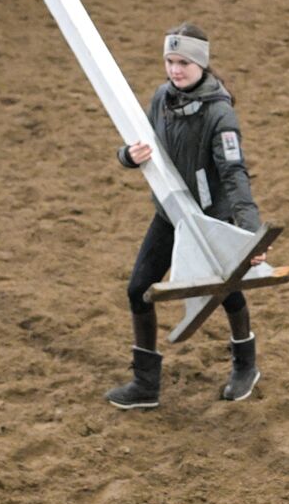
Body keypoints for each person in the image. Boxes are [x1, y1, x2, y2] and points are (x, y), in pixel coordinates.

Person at [106, 22, 265, 409]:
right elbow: (136, 142)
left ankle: (245, 366)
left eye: (183, 63)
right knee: (138, 289)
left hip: (213, 218)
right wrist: (129, 156)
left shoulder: (220, 115)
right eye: (170, 61)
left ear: (201, 65)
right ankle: (145, 384)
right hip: (171, 213)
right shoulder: (162, 97)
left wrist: (248, 233)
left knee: (225, 291)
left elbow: (234, 175)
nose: (175, 70)